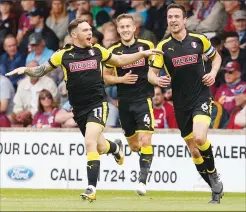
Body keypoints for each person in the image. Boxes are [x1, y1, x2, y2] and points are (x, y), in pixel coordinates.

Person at [6, 18, 162, 202]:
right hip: (78, 109)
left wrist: (143, 55)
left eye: (90, 29)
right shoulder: (62, 55)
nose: (90, 33)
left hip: (97, 104)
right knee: (101, 146)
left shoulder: (97, 50)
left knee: (90, 143)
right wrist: (25, 70)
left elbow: (120, 60)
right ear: (74, 35)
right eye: (86, 30)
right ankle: (115, 148)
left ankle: (91, 188)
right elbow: (41, 70)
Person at [148, 3, 223, 204]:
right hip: (180, 103)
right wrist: (157, 80)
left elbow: (216, 58)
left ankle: (214, 176)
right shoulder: (162, 47)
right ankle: (214, 189)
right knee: (193, 149)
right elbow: (151, 74)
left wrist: (213, 73)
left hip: (201, 96)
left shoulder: (199, 41)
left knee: (200, 137)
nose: (172, 20)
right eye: (169, 17)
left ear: (184, 20)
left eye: (176, 16)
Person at [104, 14, 155, 196]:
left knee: (145, 141)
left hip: (144, 100)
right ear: (118, 30)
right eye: (122, 27)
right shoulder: (113, 51)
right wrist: (121, 79)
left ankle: (142, 182)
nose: (125, 29)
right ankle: (117, 149)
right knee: (134, 146)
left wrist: (158, 80)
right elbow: (106, 77)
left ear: (134, 28)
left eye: (128, 26)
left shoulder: (147, 46)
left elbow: (155, 68)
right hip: (124, 103)